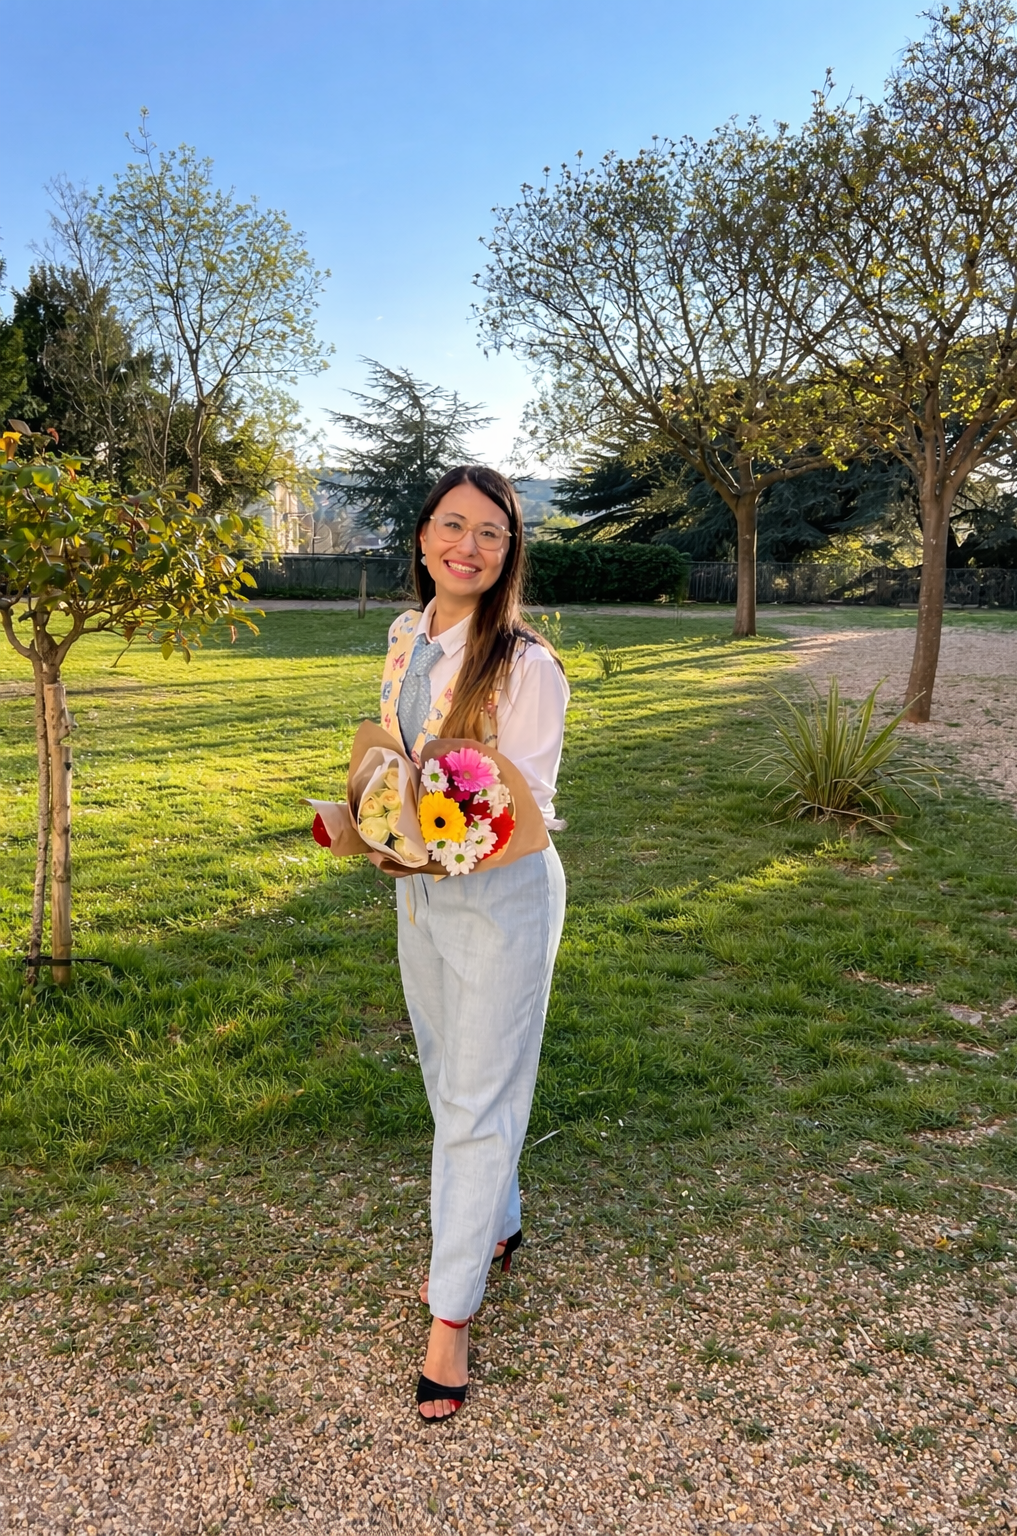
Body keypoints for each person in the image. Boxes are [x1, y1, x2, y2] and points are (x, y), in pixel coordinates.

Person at [379, 465, 569, 1422]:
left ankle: (451, 1314)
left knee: (476, 1098)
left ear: (509, 553)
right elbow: (396, 752)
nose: (469, 546)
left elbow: (524, 809)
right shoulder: (403, 635)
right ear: (423, 538)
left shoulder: (527, 666)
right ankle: (498, 1219)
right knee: (447, 1072)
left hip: (502, 902)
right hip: (418, 894)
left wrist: (437, 836)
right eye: (453, 526)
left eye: (491, 532)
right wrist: (374, 820)